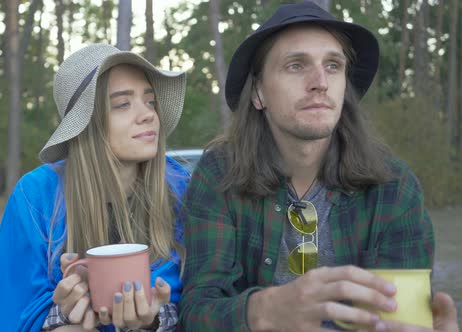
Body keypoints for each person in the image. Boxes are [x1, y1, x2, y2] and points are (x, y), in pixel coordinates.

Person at [178, 2, 459, 331]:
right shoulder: (218, 175)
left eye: (333, 66)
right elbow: (197, 312)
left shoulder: (394, 187)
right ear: (257, 93)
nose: (320, 82)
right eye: (296, 65)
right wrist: (263, 310)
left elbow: (402, 316)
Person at [0, 44, 188, 332]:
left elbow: (199, 299)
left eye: (150, 101)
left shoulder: (179, 187)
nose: (148, 115)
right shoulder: (36, 196)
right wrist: (62, 318)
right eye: (122, 104)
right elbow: (12, 308)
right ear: (86, 124)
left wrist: (154, 318)